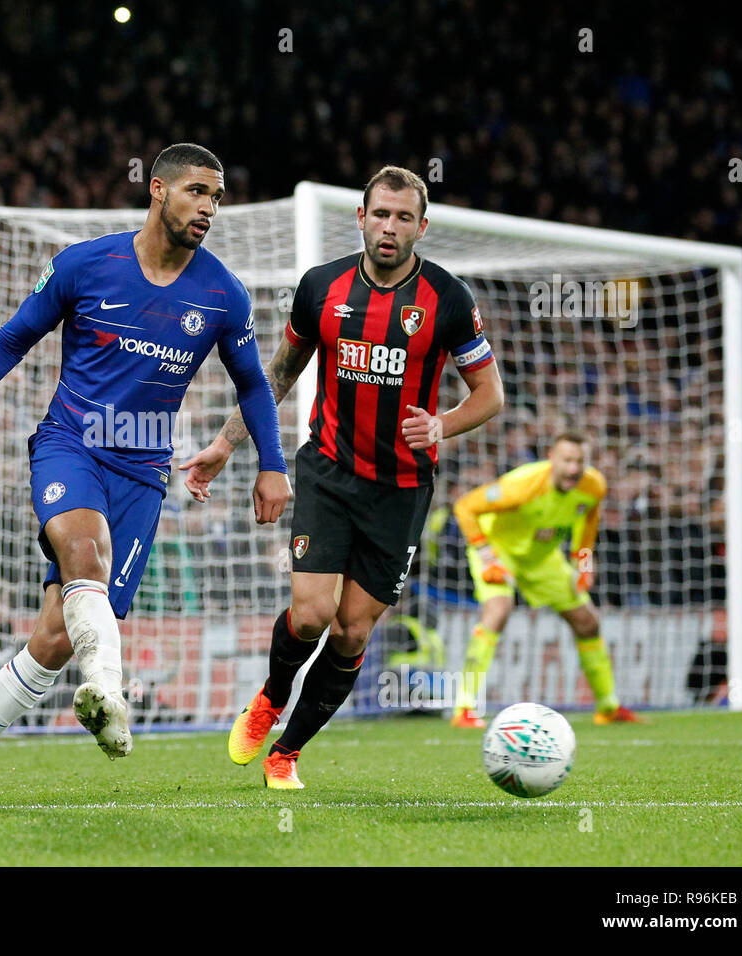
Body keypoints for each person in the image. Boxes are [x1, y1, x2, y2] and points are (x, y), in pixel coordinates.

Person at [0, 143, 290, 809]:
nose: (208, 208)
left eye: (217, 197)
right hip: (69, 447)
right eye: (197, 191)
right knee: (85, 555)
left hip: (142, 474)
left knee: (53, 641)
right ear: (157, 190)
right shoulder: (86, 265)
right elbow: (11, 339)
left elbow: (253, 384)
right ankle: (109, 690)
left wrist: (272, 466)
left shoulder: (223, 293)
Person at [182, 165, 504, 789]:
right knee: (309, 616)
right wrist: (225, 444)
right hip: (328, 470)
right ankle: (270, 699)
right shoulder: (321, 287)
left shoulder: (449, 300)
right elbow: (276, 373)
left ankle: (287, 752)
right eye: (380, 214)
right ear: (361, 217)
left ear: (422, 226)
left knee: (353, 629)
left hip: (403, 489)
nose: (389, 227)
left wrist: (443, 424)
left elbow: (489, 393)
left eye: (403, 217)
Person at [449, 432, 643, 726]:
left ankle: (608, 707)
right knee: (498, 610)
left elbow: (589, 519)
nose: (573, 469)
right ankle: (464, 708)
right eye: (567, 461)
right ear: (552, 458)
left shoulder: (593, 486)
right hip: (498, 550)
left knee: (588, 620)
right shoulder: (523, 485)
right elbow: (465, 507)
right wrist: (487, 556)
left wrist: (584, 562)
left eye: (580, 461)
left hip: (542, 558)